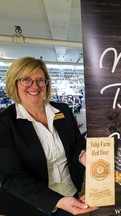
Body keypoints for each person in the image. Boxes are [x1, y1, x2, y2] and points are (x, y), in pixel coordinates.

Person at [0, 57, 97, 215]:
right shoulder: (5, 123)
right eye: (26, 79)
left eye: (40, 80)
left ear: (46, 83)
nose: (35, 86)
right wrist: (56, 201)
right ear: (14, 83)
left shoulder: (63, 111)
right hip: (33, 205)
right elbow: (11, 176)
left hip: (71, 193)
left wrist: (82, 155)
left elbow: (78, 143)